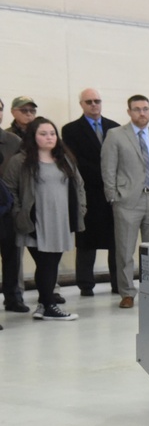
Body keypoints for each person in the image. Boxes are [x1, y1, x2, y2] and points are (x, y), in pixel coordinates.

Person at [1, 117, 87, 321]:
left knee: (51, 263)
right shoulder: (20, 161)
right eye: (43, 134)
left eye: (52, 133)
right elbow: (9, 189)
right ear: (33, 136)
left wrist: (81, 209)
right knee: (46, 263)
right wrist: (18, 214)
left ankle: (43, 304)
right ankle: (49, 305)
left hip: (60, 221)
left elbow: (79, 186)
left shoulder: (64, 159)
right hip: (34, 222)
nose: (49, 137)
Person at [100, 94, 149, 309]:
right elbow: (108, 169)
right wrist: (113, 196)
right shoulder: (115, 135)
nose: (142, 113)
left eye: (145, 109)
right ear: (129, 112)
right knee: (125, 249)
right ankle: (127, 293)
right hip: (127, 200)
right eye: (137, 109)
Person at [62, 88, 120, 296]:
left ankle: (117, 282)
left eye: (97, 101)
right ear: (81, 105)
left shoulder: (114, 128)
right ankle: (85, 284)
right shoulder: (71, 130)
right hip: (88, 191)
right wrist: (105, 174)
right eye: (89, 102)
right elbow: (75, 159)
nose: (94, 105)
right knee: (87, 241)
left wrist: (112, 179)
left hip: (113, 193)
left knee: (116, 241)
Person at [0, 98, 27, 312]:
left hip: (6, 208)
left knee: (11, 255)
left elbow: (21, 174)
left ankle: (13, 297)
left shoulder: (13, 141)